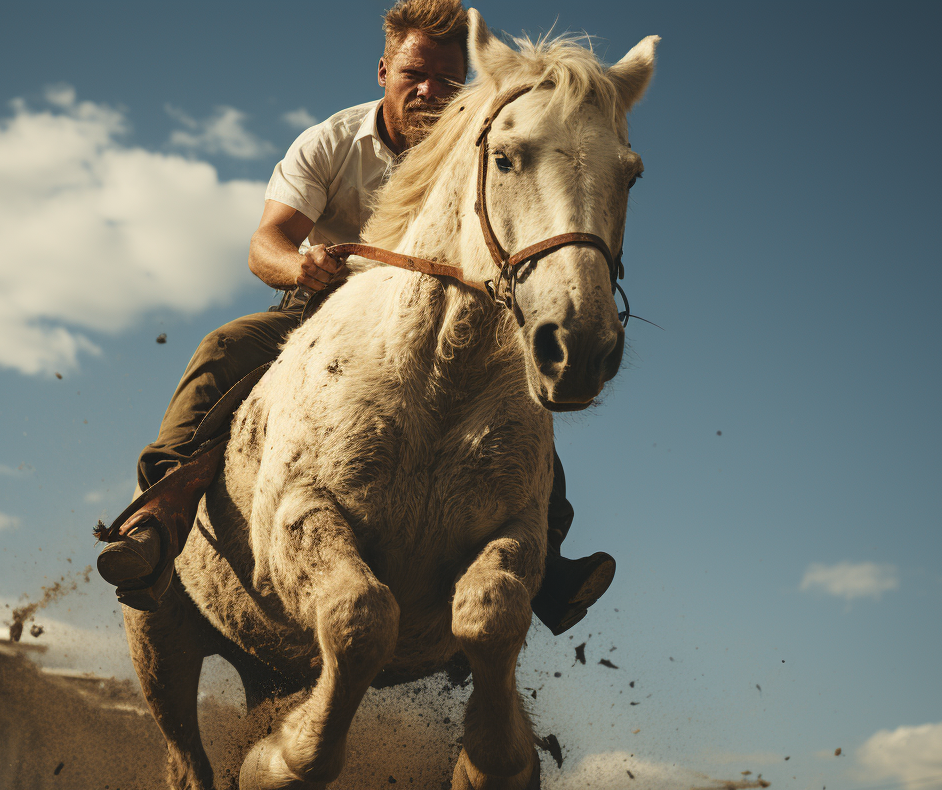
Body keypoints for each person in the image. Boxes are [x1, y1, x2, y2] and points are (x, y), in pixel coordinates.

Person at [96, 0, 614, 636]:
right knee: (224, 347)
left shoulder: (485, 150)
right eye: (413, 74)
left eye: (450, 81)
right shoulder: (331, 141)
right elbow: (267, 243)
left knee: (523, 411)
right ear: (382, 72)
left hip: (448, 325)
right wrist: (300, 266)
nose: (430, 91)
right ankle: (160, 514)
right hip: (322, 311)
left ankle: (547, 565)